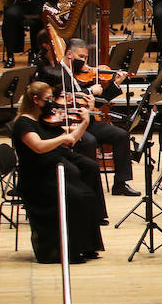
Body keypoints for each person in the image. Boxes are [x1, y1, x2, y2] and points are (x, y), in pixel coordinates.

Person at [9, 81, 105, 263]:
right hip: (36, 178)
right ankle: (66, 251)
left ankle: (86, 246)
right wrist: (61, 138)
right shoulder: (23, 123)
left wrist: (85, 122)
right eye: (48, 99)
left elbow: (71, 141)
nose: (53, 103)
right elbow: (38, 147)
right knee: (76, 197)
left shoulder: (44, 121)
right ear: (36, 100)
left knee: (86, 194)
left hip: (51, 170)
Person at [35, 37, 139, 197]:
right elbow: (63, 98)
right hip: (71, 123)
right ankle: (86, 184)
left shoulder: (77, 74)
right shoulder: (56, 73)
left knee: (121, 135)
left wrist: (116, 84)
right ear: (69, 54)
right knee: (89, 141)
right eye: (81, 57)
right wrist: (89, 91)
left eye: (85, 58)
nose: (84, 62)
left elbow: (97, 103)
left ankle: (120, 183)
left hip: (87, 121)